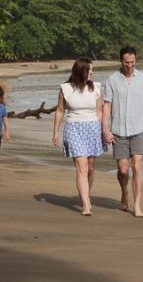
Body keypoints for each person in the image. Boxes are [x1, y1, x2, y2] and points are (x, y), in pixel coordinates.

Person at [102, 46, 143, 218]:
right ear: (121, 61)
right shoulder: (112, 80)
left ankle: (137, 204)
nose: (130, 65)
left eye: (132, 62)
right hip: (118, 131)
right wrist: (106, 130)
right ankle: (124, 192)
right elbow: (107, 106)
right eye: (126, 62)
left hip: (139, 129)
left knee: (137, 166)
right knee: (123, 170)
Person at [52, 58, 106, 216]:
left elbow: (99, 111)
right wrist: (55, 131)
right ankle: (86, 205)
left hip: (93, 128)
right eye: (89, 70)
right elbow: (60, 110)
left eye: (92, 70)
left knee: (90, 167)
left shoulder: (96, 88)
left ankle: (86, 194)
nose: (92, 72)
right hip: (74, 128)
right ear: (80, 71)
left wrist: (104, 130)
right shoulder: (65, 88)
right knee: (81, 168)